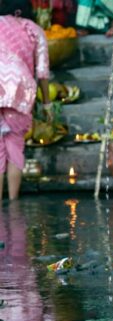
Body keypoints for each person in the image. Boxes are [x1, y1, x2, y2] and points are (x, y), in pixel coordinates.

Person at [0, 0, 51, 200]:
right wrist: (46, 103)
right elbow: (43, 71)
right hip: (20, 91)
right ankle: (13, 204)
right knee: (14, 147)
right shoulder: (34, 29)